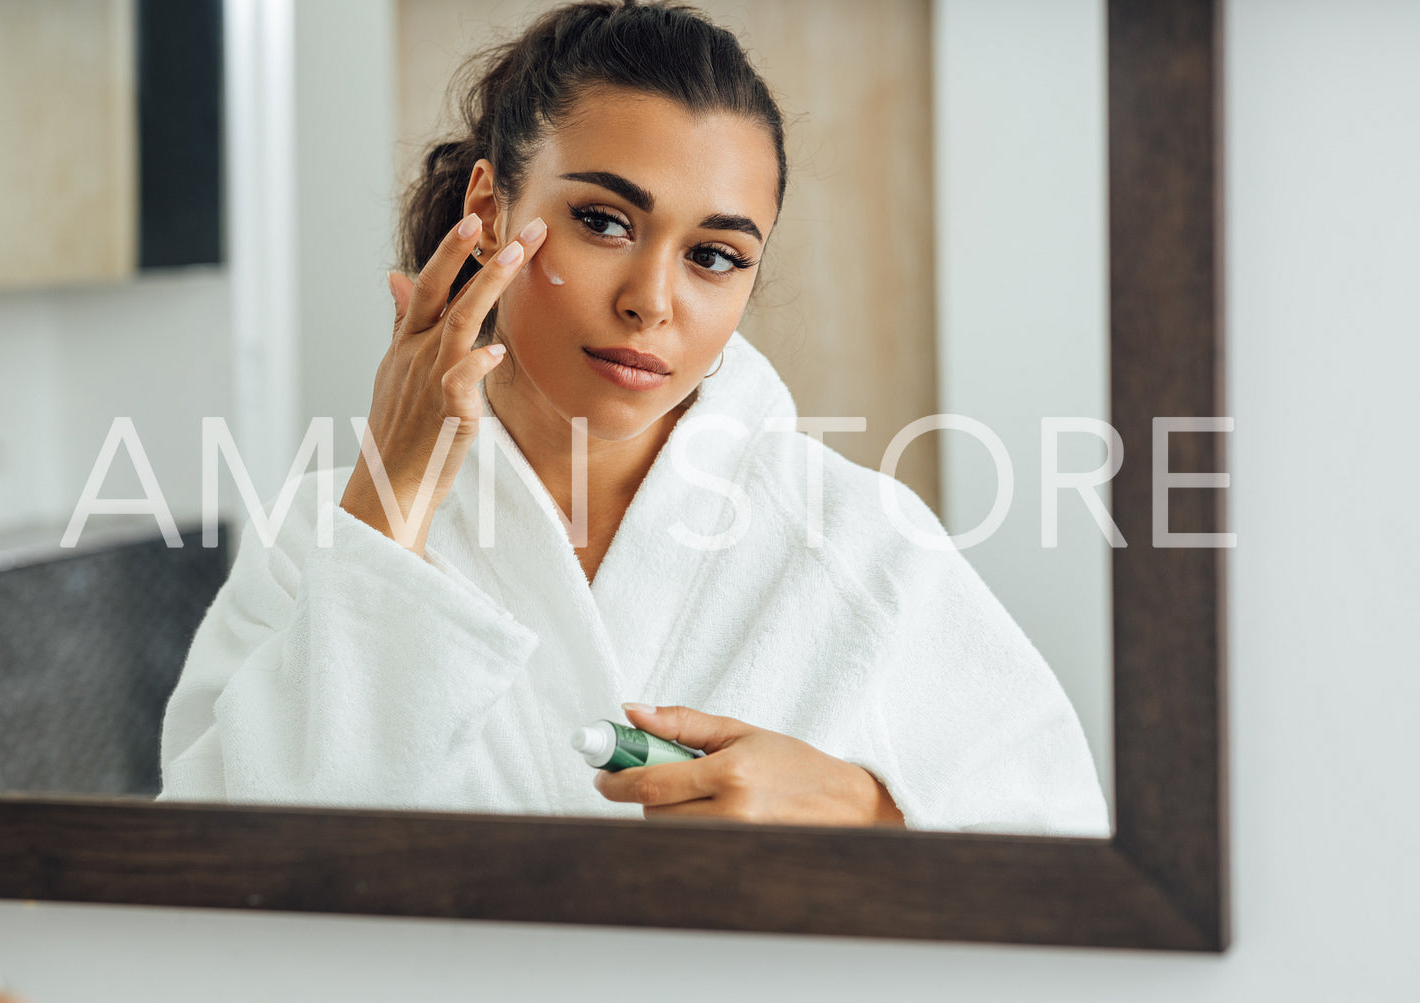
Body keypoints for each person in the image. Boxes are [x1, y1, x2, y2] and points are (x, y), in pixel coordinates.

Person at [159, 0, 1109, 836]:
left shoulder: (865, 550)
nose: (652, 301)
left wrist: (868, 810)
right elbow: (207, 875)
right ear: (489, 211)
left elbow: (1070, 861)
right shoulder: (326, 541)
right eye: (605, 222)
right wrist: (392, 497)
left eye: (714, 256)